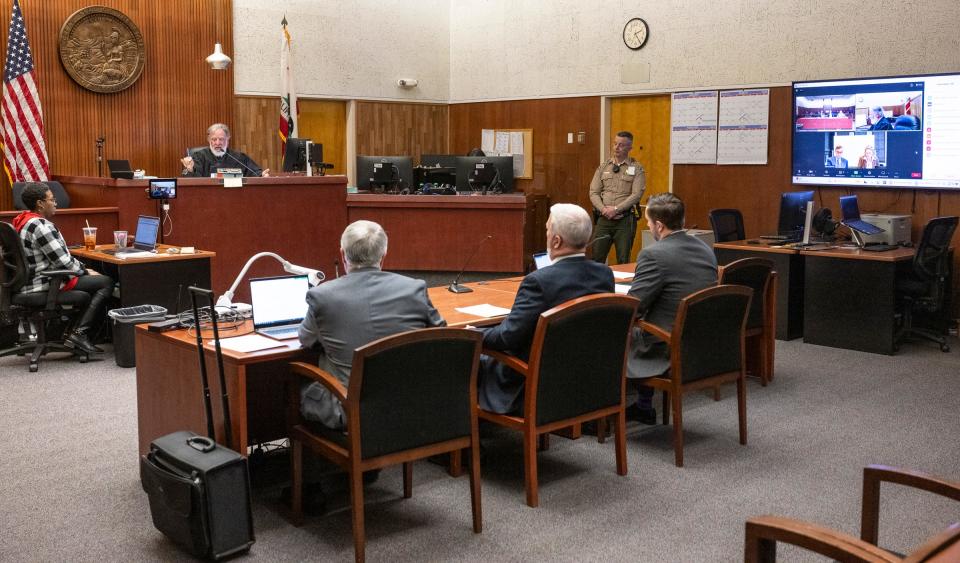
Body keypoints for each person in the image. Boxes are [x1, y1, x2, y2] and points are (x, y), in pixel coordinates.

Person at [298, 220, 445, 429]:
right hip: (410, 406)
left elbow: (306, 339)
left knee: (298, 386)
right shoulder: (413, 289)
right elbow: (444, 335)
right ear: (383, 256)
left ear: (342, 254)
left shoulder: (322, 296)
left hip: (350, 412)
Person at [478, 204, 614, 414]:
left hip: (534, 384)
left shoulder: (538, 282)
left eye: (548, 230)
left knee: (470, 356)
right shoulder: (604, 274)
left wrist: (474, 334)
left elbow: (507, 338)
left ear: (556, 240)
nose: (547, 234)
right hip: (583, 378)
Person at [626, 193, 718, 423]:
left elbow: (633, 307)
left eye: (648, 222)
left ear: (659, 225)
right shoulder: (705, 249)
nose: (647, 226)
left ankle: (598, 413)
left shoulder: (653, 254)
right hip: (703, 342)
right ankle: (643, 405)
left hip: (667, 346)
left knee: (611, 330)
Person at [12, 182, 114, 355]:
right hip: (43, 283)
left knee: (90, 284)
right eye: (52, 199)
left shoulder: (21, 221)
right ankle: (78, 334)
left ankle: (71, 333)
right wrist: (85, 270)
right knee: (106, 282)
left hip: (25, 282)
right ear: (40, 203)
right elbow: (63, 263)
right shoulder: (40, 226)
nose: (56, 203)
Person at [589, 131, 646, 265]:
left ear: (629, 148)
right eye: (615, 144)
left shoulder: (636, 168)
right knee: (597, 258)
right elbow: (593, 192)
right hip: (603, 218)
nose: (617, 147)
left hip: (624, 220)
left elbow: (637, 194)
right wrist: (604, 210)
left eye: (621, 145)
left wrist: (616, 209)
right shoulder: (603, 166)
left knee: (623, 259)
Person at [180, 123, 269, 178]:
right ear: (209, 140)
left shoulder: (239, 157)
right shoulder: (199, 156)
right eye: (214, 139)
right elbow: (191, 180)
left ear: (228, 139)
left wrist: (262, 175)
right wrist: (190, 170)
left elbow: (254, 172)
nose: (217, 143)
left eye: (221, 139)